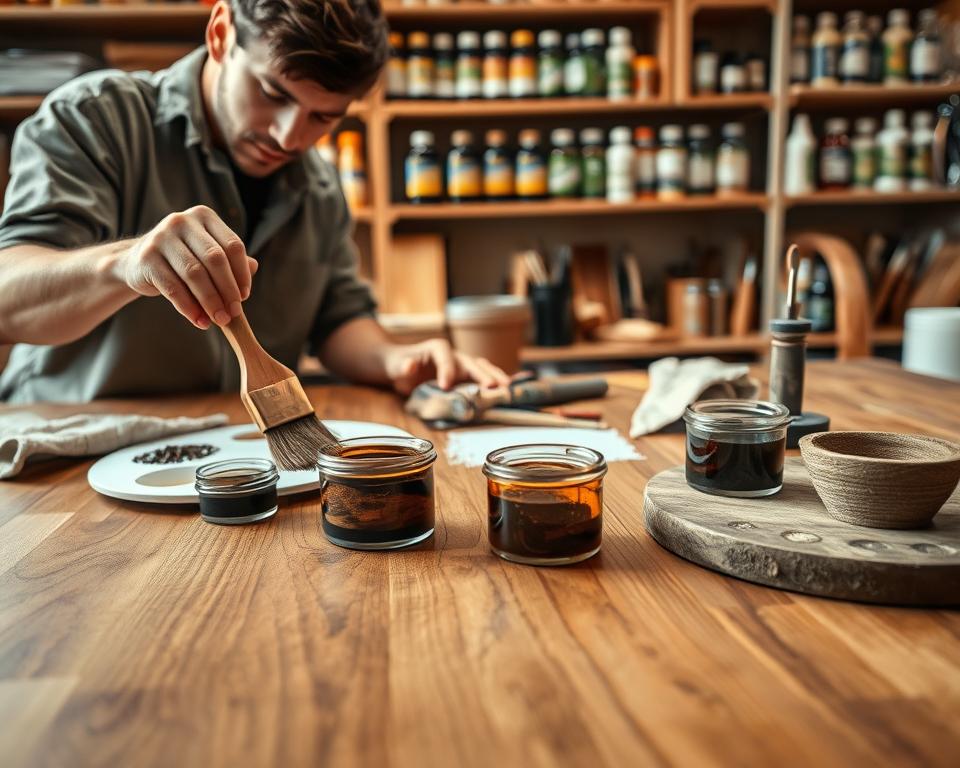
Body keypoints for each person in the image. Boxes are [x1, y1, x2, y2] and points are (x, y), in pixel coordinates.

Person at [0, 0, 510, 404]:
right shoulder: (94, 120)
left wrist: (395, 360)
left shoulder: (322, 188)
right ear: (221, 33)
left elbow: (338, 321)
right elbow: (8, 302)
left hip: (230, 457)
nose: (289, 137)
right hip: (64, 461)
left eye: (324, 118)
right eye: (273, 93)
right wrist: (124, 264)